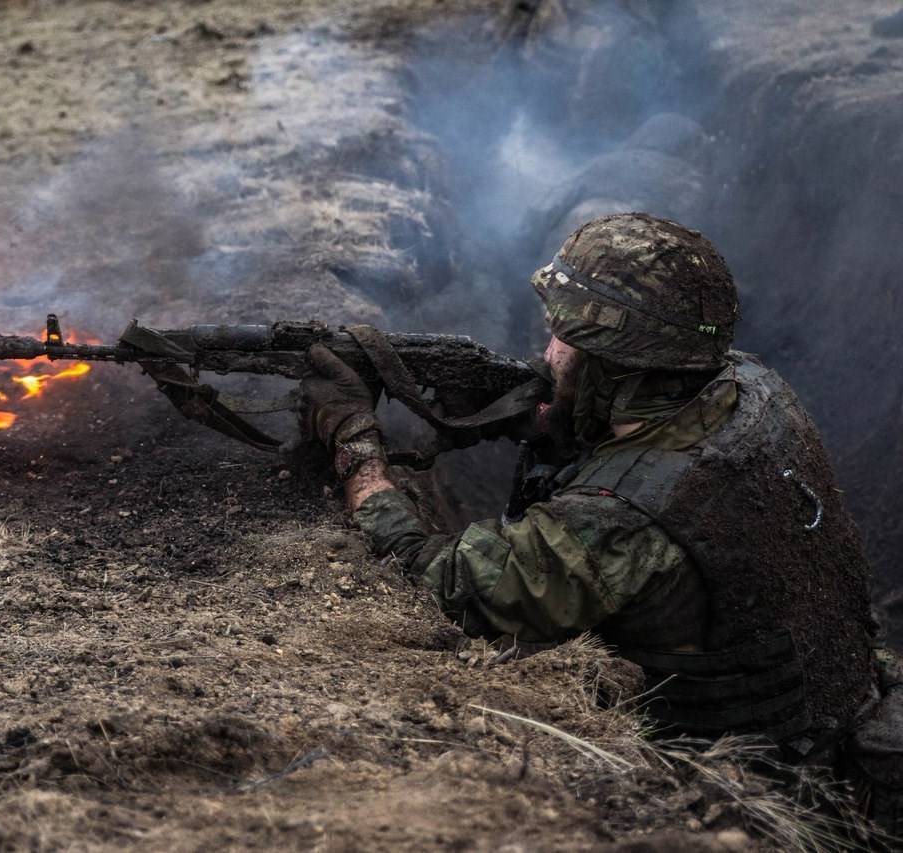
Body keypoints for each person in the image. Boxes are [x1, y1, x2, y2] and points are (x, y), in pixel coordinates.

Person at [301, 212, 901, 832]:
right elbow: (636, 431)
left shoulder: (621, 521)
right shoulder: (751, 386)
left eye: (561, 337)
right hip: (841, 708)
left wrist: (357, 451)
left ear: (611, 361)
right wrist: (527, 412)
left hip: (750, 788)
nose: (546, 350)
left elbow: (452, 583)